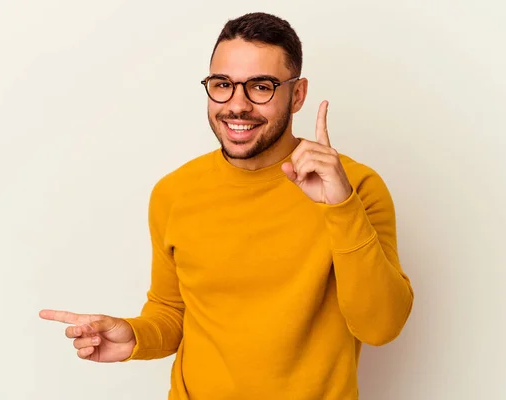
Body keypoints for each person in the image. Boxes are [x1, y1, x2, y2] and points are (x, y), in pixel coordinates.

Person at [39, 12, 414, 400]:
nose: (237, 106)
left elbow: (380, 327)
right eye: (223, 85)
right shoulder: (174, 192)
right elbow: (171, 311)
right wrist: (135, 337)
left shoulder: (355, 188)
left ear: (297, 94)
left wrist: (341, 207)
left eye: (261, 87)